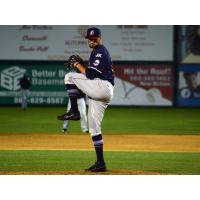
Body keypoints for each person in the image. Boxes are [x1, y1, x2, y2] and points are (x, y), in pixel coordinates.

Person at [57, 27, 114, 172]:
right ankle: (101, 163)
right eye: (89, 38)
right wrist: (83, 64)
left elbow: (89, 74)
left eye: (94, 38)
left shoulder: (100, 51)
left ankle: (74, 112)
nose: (92, 40)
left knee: (69, 77)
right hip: (101, 91)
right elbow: (91, 73)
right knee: (94, 129)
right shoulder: (96, 52)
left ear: (100, 38)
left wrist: (77, 65)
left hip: (102, 87)